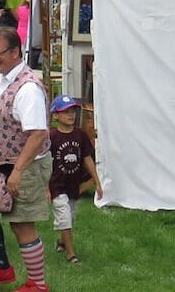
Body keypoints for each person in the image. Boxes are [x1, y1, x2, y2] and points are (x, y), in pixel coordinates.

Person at [0, 27, 52, 292]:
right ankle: (2, 268)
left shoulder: (27, 89)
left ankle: (37, 284)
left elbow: (37, 134)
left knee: (21, 225)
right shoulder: (0, 79)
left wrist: (17, 172)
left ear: (16, 51)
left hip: (24, 165)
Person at [48, 95, 102, 264]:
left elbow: (87, 158)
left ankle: (62, 242)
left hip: (73, 184)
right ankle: (71, 255)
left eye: (72, 111)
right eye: (65, 112)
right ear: (55, 116)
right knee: (64, 216)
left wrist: (97, 182)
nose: (71, 115)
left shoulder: (80, 135)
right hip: (56, 185)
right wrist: (45, 188)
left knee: (70, 217)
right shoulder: (51, 137)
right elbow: (44, 165)